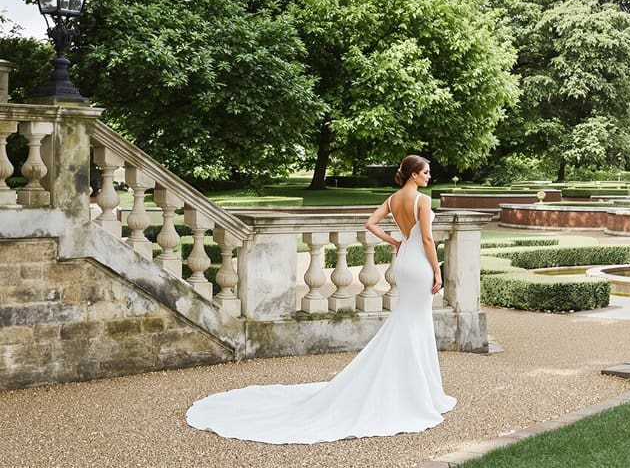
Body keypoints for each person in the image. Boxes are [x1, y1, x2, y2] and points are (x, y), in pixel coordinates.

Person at [185, 155, 456, 443]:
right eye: (425, 172)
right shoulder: (422, 201)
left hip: (403, 262)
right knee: (415, 322)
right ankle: (418, 393)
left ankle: (410, 387)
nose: (429, 176)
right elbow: (427, 239)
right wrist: (437, 272)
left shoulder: (393, 199)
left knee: (406, 320)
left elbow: (370, 223)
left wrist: (395, 242)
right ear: (414, 175)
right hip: (418, 264)